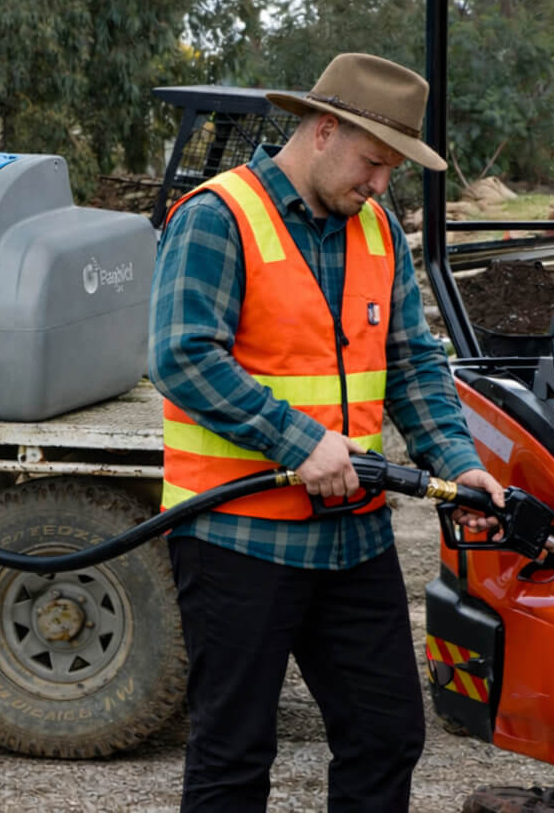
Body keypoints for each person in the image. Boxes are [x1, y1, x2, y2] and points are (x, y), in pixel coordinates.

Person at [147, 52, 506, 813]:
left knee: (386, 736)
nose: (380, 184)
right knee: (233, 755)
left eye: (392, 171)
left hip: (353, 536)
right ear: (323, 130)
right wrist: (299, 442)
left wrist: (457, 463)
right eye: (374, 162)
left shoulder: (376, 229)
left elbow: (412, 362)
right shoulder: (219, 216)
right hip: (237, 536)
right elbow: (182, 356)